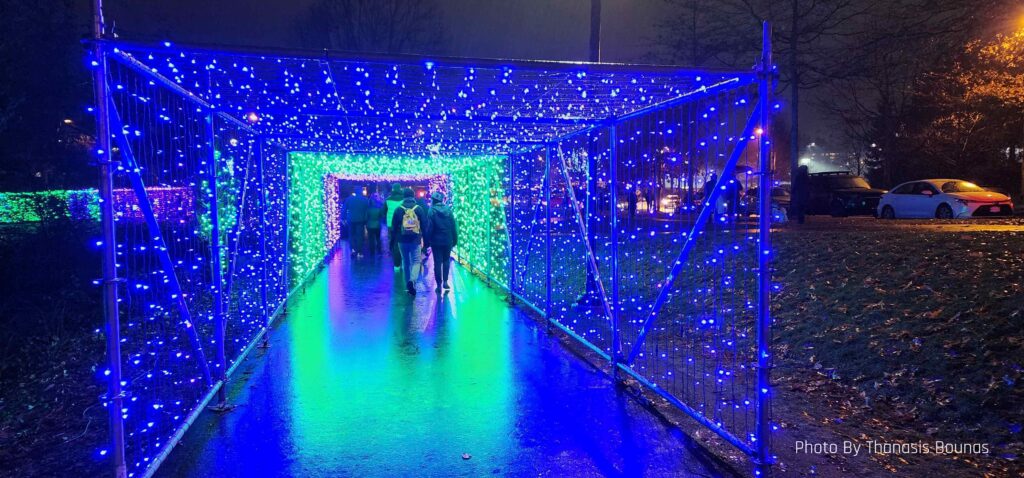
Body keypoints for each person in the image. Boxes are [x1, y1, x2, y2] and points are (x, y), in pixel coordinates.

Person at [390, 188, 427, 296]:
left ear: (404, 197)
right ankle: (413, 280)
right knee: (416, 261)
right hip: (415, 239)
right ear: (413, 196)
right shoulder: (418, 209)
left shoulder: (398, 209)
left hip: (401, 240)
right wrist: (426, 241)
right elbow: (425, 225)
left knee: (405, 262)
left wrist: (392, 241)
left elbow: (394, 227)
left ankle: (408, 285)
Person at [423, 191, 459, 293]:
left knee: (437, 262)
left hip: (436, 241)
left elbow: (430, 228)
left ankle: (438, 284)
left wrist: (426, 243)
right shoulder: (448, 210)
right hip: (447, 240)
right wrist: (455, 239)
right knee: (446, 261)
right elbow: (453, 226)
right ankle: (446, 282)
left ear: (433, 200)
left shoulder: (431, 211)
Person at [344, 186, 370, 258]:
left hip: (351, 219)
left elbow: (344, 209)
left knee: (351, 235)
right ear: (361, 191)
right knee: (360, 236)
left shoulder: (349, 199)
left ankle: (353, 249)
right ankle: (359, 251)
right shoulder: (365, 199)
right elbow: (367, 210)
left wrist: (343, 218)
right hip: (361, 220)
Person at [384, 183, 405, 270]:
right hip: (402, 224)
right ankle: (403, 260)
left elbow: (384, 211)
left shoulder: (388, 200)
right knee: (402, 241)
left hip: (391, 224)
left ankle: (396, 261)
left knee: (393, 241)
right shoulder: (403, 199)